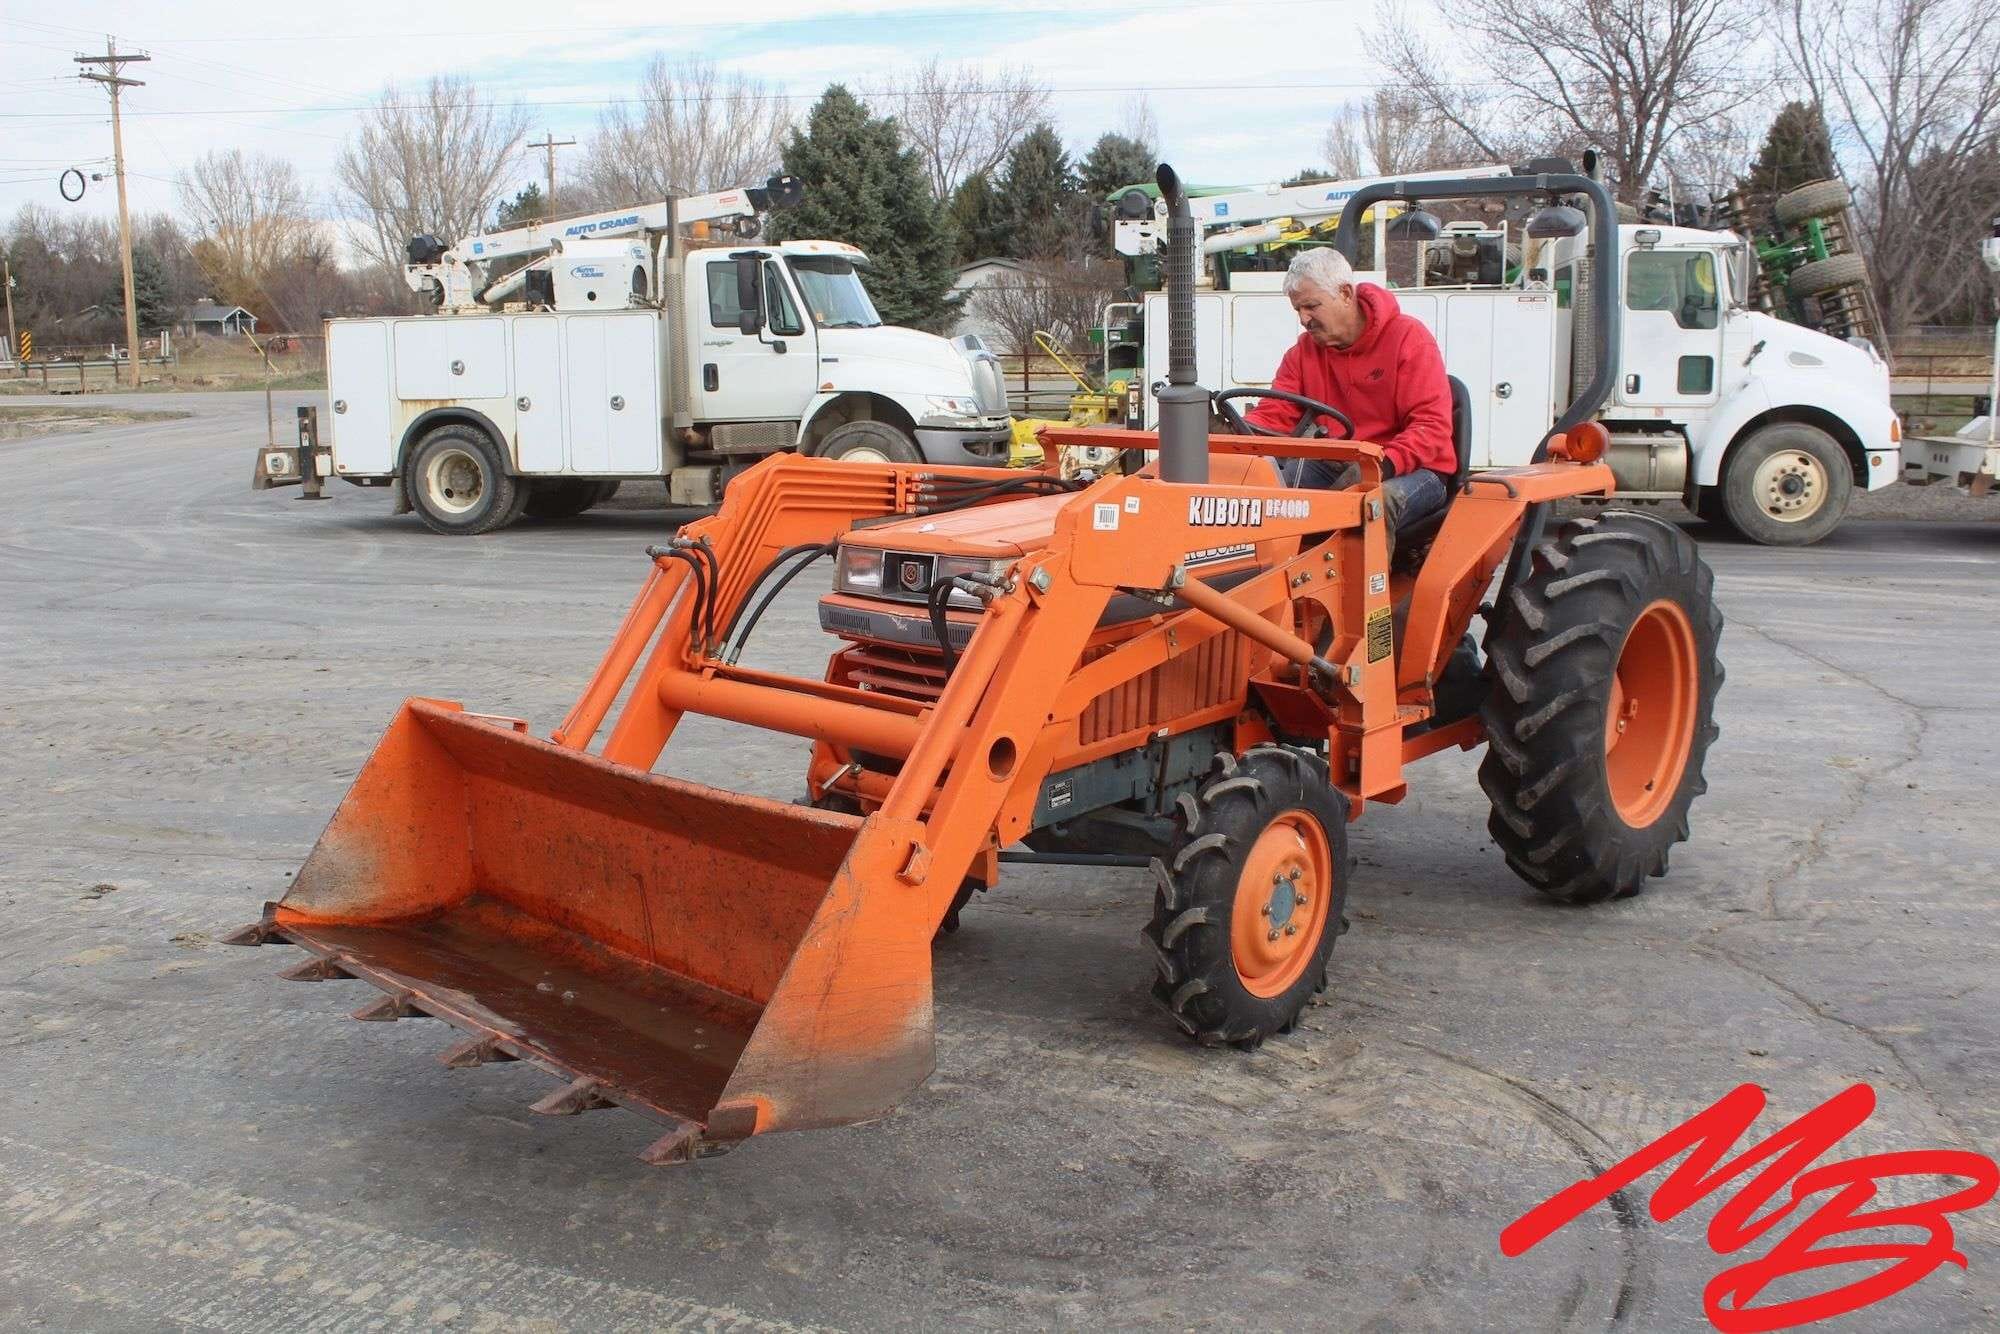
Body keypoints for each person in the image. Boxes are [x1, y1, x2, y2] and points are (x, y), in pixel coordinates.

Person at [1246, 248, 1455, 534]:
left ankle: (1365, 580)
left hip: (1413, 469)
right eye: (1298, 310)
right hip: (1339, 462)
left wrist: (1380, 464)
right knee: (1267, 498)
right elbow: (1275, 414)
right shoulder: (1302, 353)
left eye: (1311, 306)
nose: (1304, 319)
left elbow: (1431, 427)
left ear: (1345, 294)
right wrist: (1233, 433)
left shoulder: (1409, 339)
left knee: (1373, 505)